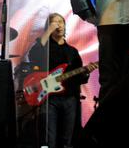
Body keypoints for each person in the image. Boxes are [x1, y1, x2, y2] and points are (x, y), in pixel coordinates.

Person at [27, 13, 92, 148]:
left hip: (70, 98)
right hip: (50, 99)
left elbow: (79, 78)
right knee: (50, 139)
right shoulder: (45, 48)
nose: (58, 25)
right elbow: (34, 54)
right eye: (54, 22)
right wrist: (48, 31)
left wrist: (86, 73)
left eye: (61, 22)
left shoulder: (72, 52)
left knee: (67, 140)